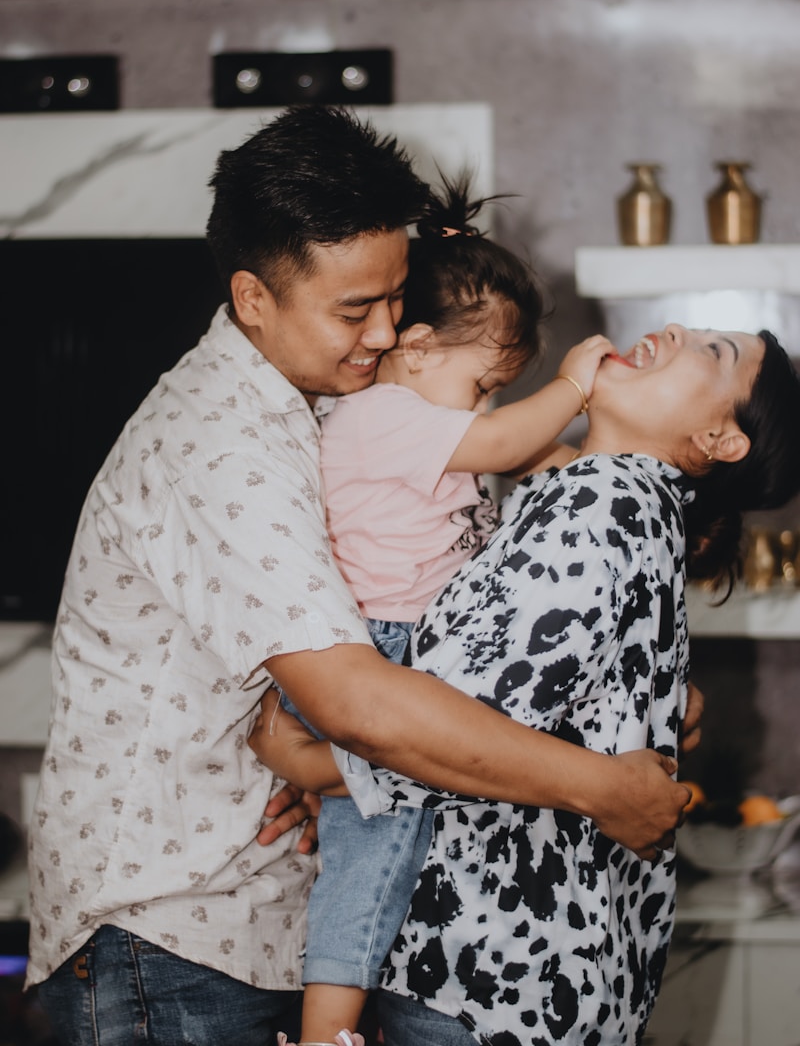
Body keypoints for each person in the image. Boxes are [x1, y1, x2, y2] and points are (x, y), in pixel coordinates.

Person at [26, 104, 690, 1046]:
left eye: (395, 298)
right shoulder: (221, 443)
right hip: (170, 938)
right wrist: (599, 786)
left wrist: (324, 770)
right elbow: (361, 704)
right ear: (254, 298)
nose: (387, 333)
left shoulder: (329, 405)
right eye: (353, 310)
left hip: (247, 917)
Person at [256, 322, 800, 1045]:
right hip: (544, 978)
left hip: (489, 969)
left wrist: (314, 765)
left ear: (719, 440)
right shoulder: (622, 502)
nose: (675, 332)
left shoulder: (600, 505)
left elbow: (457, 720)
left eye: (712, 351)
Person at [280, 175, 614, 1042]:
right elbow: (505, 443)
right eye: (484, 383)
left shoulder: (428, 416)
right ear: (419, 348)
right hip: (381, 651)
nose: (489, 406)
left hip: (415, 646)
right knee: (375, 852)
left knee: (401, 840)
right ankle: (325, 1033)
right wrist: (574, 386)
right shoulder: (382, 413)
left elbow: (517, 453)